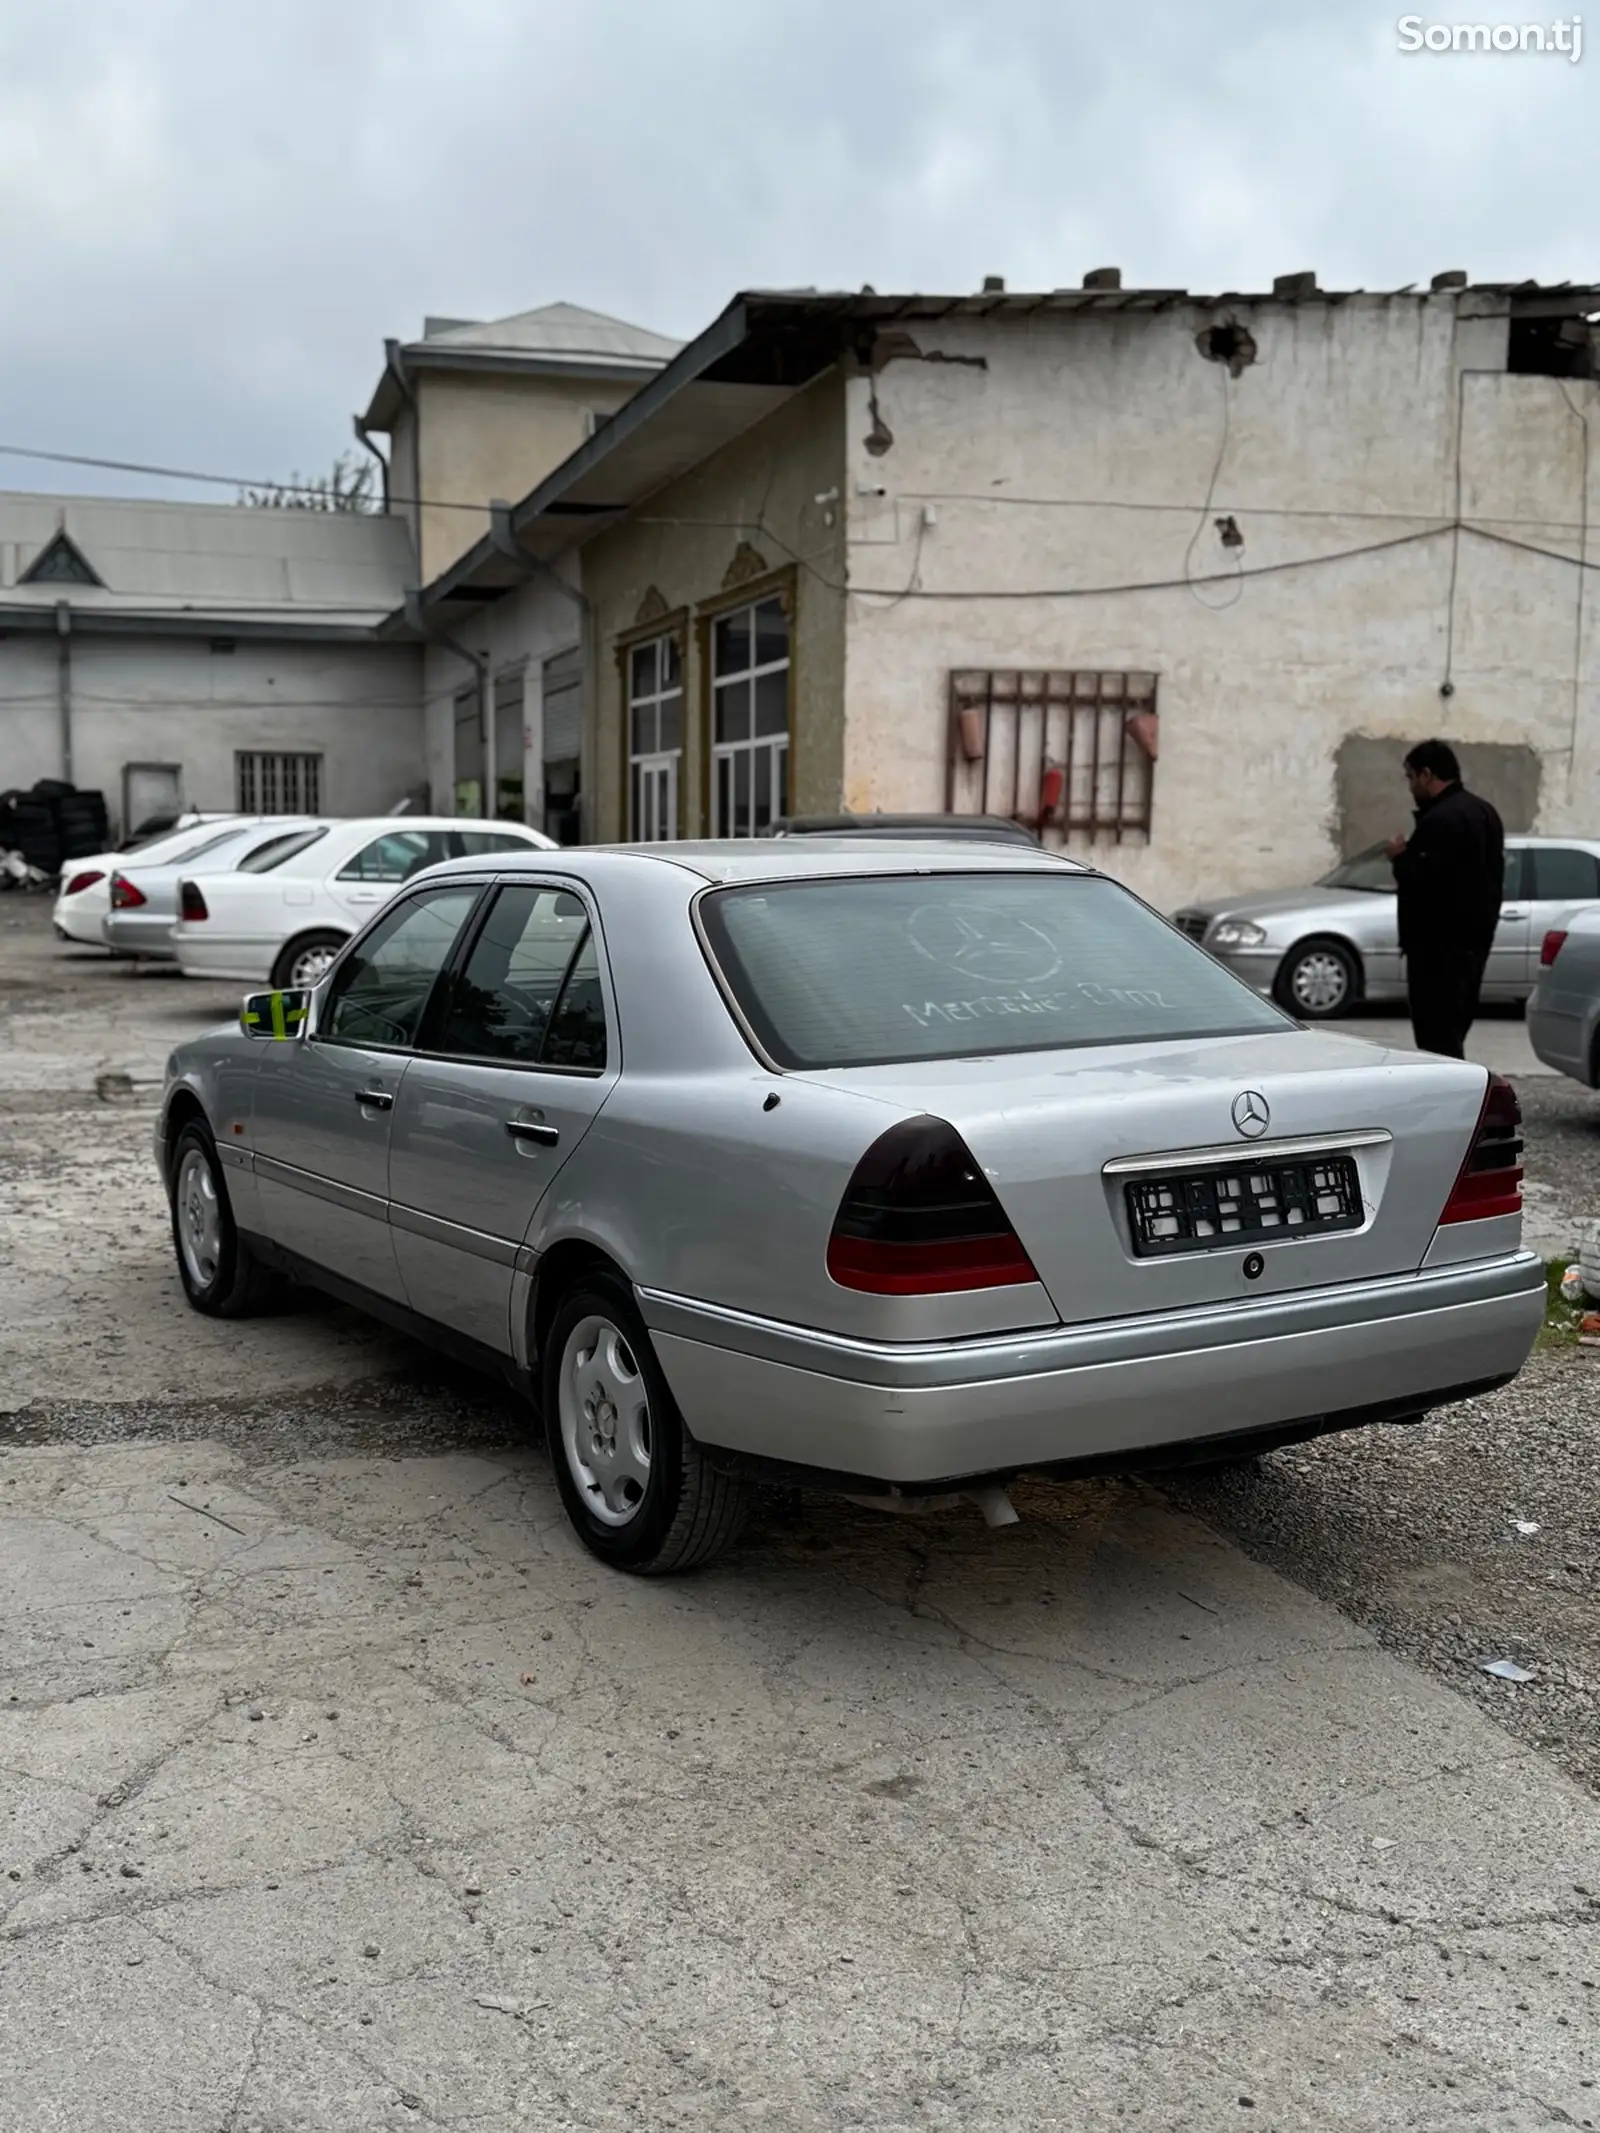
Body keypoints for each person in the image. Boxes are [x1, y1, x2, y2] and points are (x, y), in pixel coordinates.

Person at [1385, 740, 1505, 1059]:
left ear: (1427, 775)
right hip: (1473, 946)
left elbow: (1423, 883)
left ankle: (1453, 1104)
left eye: (1411, 777)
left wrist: (1399, 857)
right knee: (1452, 1032)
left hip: (1436, 952)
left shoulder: (1439, 821)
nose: (1410, 786)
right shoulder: (1485, 813)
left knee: (1436, 1040)